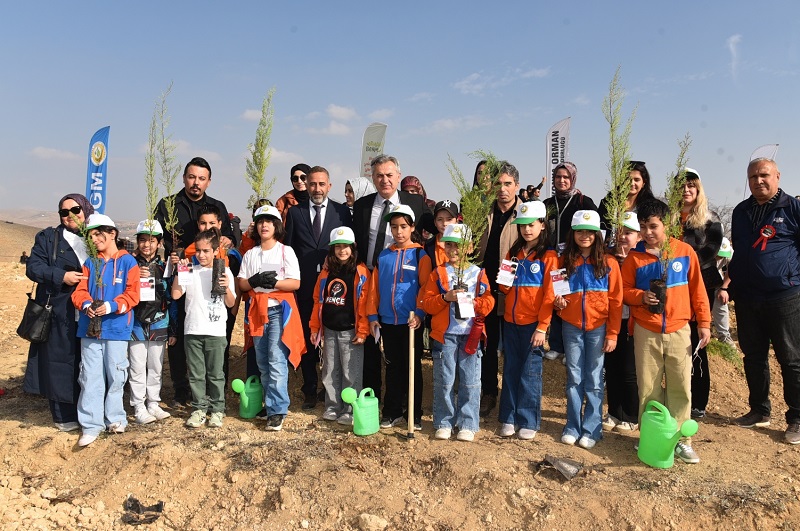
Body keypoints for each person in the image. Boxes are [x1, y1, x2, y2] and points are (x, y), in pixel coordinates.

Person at [621, 199, 711, 463]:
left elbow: (698, 291)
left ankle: (682, 441)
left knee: (680, 387)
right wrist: (640, 296)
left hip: (679, 330)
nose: (648, 232)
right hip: (645, 331)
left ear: (667, 224)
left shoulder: (684, 252)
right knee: (648, 388)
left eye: (653, 226)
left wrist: (704, 323)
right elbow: (624, 291)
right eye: (643, 227)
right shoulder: (634, 258)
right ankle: (652, 437)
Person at [729, 158, 800, 444]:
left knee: (791, 359)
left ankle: (796, 417)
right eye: (753, 176)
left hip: (784, 296)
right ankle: (759, 410)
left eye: (764, 175)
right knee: (754, 356)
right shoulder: (741, 211)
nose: (758, 181)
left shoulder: (793, 209)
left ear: (777, 176)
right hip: (747, 297)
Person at [154, 156, 235, 406]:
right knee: (179, 332)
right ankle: (181, 389)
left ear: (208, 181)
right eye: (191, 177)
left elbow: (230, 237)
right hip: (182, 273)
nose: (195, 183)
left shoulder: (217, 206)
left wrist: (227, 242)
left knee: (217, 332)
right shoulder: (167, 205)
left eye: (201, 178)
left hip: (212, 276)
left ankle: (216, 389)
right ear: (184, 178)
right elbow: (158, 237)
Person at [351, 155, 433, 401]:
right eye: (379, 175)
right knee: (372, 346)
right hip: (373, 282)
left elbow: (437, 227)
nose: (384, 180)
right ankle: (373, 397)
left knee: (404, 356)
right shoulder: (363, 205)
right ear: (372, 178)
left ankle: (408, 405)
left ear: (398, 176)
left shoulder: (416, 202)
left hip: (407, 287)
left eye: (389, 175)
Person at [23, 194, 94, 432]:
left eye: (75, 209)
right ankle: (64, 415)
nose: (71, 215)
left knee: (88, 360)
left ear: (85, 210)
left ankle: (90, 411)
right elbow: (34, 267)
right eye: (64, 212)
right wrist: (61, 276)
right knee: (60, 361)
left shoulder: (96, 236)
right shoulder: (48, 238)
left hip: (89, 310)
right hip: (59, 309)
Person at [285, 166, 353, 410]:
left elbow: (349, 247)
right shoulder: (295, 213)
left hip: (336, 288)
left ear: (329, 186)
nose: (316, 188)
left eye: (321, 184)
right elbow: (289, 249)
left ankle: (332, 389)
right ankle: (310, 389)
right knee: (309, 339)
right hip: (304, 290)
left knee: (333, 341)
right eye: (312, 184)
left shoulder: (342, 211)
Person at [420, 223, 494, 442]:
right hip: (446, 336)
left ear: (469, 247)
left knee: (470, 380)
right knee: (445, 379)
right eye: (449, 245)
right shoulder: (439, 273)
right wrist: (446, 298)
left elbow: (489, 301)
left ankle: (467, 423)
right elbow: (427, 303)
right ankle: (444, 421)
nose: (453, 250)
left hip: (471, 334)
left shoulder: (478, 273)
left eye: (458, 246)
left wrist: (475, 302)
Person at [555, 210, 622, 449]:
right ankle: (572, 426)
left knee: (594, 379)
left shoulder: (609, 263)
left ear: (597, 235)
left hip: (598, 328)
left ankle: (592, 429)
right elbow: (557, 295)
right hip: (571, 327)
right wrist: (559, 304)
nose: (585, 236)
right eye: (580, 231)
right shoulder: (563, 262)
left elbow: (616, 301)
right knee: (574, 378)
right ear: (573, 233)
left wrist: (612, 333)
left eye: (590, 231)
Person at [71, 214, 140, 447]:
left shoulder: (128, 262)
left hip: (117, 328)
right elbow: (79, 291)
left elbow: (132, 294)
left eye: (98, 234)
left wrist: (112, 305)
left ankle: (116, 418)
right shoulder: (90, 262)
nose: (94, 239)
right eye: (90, 235)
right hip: (90, 329)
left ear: (113, 234)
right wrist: (87, 305)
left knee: (116, 374)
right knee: (90, 375)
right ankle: (91, 425)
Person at [237, 205, 306, 432]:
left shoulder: (286, 252)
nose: (264, 225)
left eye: (269, 221)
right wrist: (255, 280)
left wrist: (274, 283)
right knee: (263, 361)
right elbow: (242, 283)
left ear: (276, 225)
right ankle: (269, 403)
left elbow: (295, 282)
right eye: (260, 221)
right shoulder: (250, 254)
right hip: (257, 311)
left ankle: (278, 410)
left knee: (277, 359)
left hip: (278, 312)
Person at [495, 201, 557, 440]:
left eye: (531, 225)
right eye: (522, 226)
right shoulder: (513, 253)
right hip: (511, 323)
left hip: (534, 326)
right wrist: (506, 273)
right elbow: (503, 286)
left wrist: (542, 327)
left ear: (542, 225)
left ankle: (528, 420)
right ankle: (508, 418)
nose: (526, 230)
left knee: (529, 373)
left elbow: (550, 295)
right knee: (510, 370)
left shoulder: (549, 256)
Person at [367, 204, 432, 430]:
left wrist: (421, 313)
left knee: (413, 368)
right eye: (394, 227)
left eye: (403, 226)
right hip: (388, 321)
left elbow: (425, 288)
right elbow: (374, 288)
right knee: (392, 367)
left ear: (412, 227)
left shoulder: (420, 255)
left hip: (410, 322)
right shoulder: (384, 256)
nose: (399, 231)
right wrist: (373, 314)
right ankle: (392, 411)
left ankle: (414, 413)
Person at [171, 228, 236, 429]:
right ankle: (199, 408)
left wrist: (225, 287)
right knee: (196, 374)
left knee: (216, 374)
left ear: (216, 251)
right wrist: (180, 273)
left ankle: (217, 409)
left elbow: (231, 303)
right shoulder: (190, 271)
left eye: (206, 251)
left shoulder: (224, 271)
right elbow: (175, 295)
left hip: (216, 332)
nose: (201, 255)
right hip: (193, 330)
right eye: (198, 250)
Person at [475, 161, 522, 417]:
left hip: (515, 291)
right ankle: (489, 392)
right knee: (488, 343)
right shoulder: (483, 213)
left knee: (513, 344)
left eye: (508, 184)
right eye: (498, 184)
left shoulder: (525, 215)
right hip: (486, 288)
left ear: (516, 185)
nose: (502, 189)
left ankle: (513, 396)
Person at [310, 226, 370, 425]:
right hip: (329, 329)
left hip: (350, 330)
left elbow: (365, 304)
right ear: (332, 250)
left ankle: (350, 409)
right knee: (329, 370)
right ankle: (332, 406)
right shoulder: (326, 273)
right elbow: (318, 301)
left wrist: (363, 330)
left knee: (350, 372)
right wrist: (315, 328)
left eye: (345, 246)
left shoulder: (360, 272)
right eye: (337, 247)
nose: (342, 250)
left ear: (353, 248)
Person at [181, 204, 243, 384]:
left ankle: (218, 395)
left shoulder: (231, 254)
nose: (207, 227)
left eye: (212, 223)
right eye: (203, 223)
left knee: (219, 355)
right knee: (198, 359)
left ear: (220, 223)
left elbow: (237, 285)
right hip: (198, 315)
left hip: (223, 311)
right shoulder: (192, 252)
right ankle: (200, 397)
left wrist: (233, 310)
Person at [679, 168, 724, 420]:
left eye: (691, 186)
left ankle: (698, 400)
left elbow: (711, 250)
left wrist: (683, 262)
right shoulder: (670, 217)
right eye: (682, 186)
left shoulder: (709, 217)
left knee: (697, 341)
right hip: (674, 286)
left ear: (698, 189)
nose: (686, 190)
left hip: (701, 284)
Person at [543, 162, 597, 363]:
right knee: (556, 298)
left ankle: (570, 348)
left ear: (573, 178)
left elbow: (597, 227)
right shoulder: (548, 203)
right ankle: (556, 345)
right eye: (558, 177)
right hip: (553, 259)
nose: (562, 180)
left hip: (575, 259)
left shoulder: (583, 201)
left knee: (572, 300)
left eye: (566, 177)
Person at [128, 220, 173, 425]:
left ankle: (153, 402)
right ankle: (138, 405)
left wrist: (174, 328)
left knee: (155, 365)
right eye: (143, 240)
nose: (147, 245)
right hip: (135, 323)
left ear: (160, 243)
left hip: (160, 320)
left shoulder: (166, 266)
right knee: (137, 365)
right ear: (137, 242)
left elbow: (173, 296)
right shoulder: (129, 264)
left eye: (152, 241)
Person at [602, 212, 641, 433]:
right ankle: (614, 412)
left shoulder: (639, 258)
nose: (624, 237)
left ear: (638, 236)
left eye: (629, 233)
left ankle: (631, 414)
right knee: (612, 368)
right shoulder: (607, 257)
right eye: (620, 233)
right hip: (610, 321)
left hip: (631, 322)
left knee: (628, 371)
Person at [597, 160, 655, 237]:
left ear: (644, 183)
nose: (631, 183)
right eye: (627, 179)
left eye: (636, 180)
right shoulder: (609, 202)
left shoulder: (650, 206)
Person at [712, 238, 734, 345]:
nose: (719, 257)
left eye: (722, 255)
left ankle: (724, 336)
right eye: (718, 255)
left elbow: (732, 269)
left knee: (721, 300)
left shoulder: (730, 253)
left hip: (716, 277)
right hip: (700, 276)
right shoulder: (702, 252)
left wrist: (724, 288)